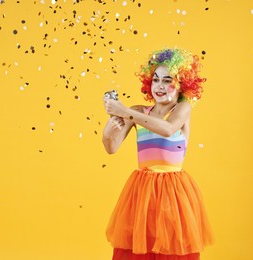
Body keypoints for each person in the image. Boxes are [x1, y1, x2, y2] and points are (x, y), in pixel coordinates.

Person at [102, 48, 214, 260]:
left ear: (182, 85)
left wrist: (125, 112)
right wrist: (109, 128)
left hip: (173, 193)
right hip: (141, 192)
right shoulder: (139, 111)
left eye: (168, 80)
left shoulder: (182, 109)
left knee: (171, 246)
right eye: (155, 80)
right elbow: (111, 147)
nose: (160, 86)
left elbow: (167, 129)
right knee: (138, 246)